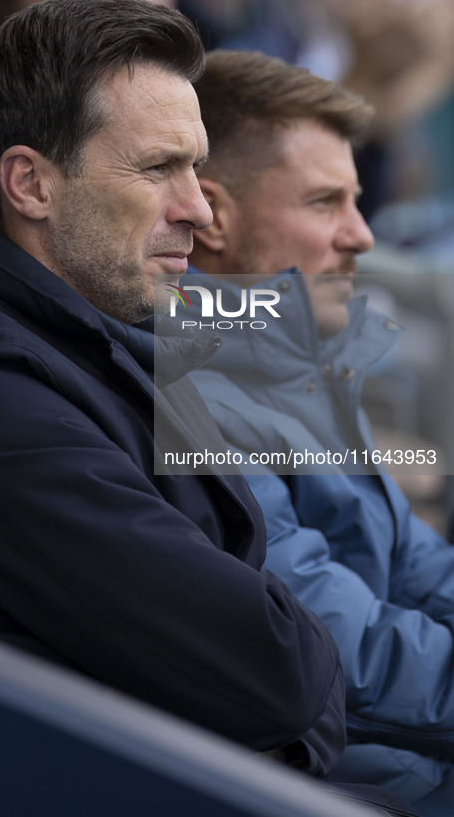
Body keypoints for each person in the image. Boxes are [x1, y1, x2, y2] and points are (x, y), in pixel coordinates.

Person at [0, 0, 348, 784]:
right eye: (159, 168)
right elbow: (283, 674)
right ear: (29, 185)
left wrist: (301, 710)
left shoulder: (109, 331)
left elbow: (278, 667)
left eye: (197, 168)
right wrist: (303, 709)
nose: (197, 208)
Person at [186, 48, 454, 814]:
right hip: (336, 771)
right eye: (322, 203)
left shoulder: (291, 341)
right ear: (212, 216)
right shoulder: (188, 370)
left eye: (357, 201)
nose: (362, 235)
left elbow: (410, 558)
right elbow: (318, 626)